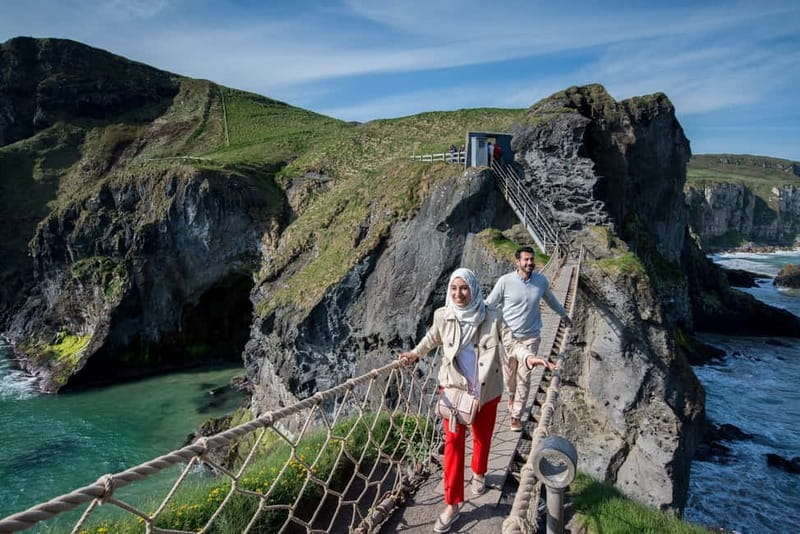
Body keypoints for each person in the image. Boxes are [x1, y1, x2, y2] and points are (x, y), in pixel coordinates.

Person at [399, 268, 552, 533]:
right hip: (452, 391)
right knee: (453, 445)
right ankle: (452, 504)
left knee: (482, 438)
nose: (458, 294)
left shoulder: (493, 317)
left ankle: (479, 474)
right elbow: (432, 338)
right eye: (454, 289)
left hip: (486, 392)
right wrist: (414, 353)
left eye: (464, 288)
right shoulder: (443, 315)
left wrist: (527, 356)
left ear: (474, 289)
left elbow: (511, 343)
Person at [486, 246, 572, 432]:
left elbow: (550, 299)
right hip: (508, 338)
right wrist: (474, 318)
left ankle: (516, 415)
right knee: (510, 378)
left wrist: (563, 315)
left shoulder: (541, 281)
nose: (530, 263)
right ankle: (511, 395)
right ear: (517, 262)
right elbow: (489, 303)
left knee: (524, 377)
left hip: (531, 337)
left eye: (531, 259)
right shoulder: (505, 282)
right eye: (525, 260)